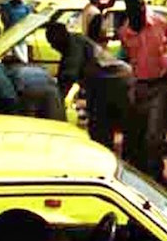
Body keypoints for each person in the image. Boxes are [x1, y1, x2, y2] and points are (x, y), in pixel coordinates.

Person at [45, 19, 133, 153]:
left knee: (105, 126)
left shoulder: (74, 45)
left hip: (117, 81)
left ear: (61, 36)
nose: (52, 47)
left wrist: (56, 103)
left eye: (52, 42)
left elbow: (68, 76)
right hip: (104, 84)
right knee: (101, 125)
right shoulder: (72, 44)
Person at [117, 0, 167, 179]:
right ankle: (145, 176)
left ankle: (157, 175)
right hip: (139, 86)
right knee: (139, 135)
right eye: (136, 8)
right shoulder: (125, 33)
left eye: (143, 6)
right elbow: (127, 57)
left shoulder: (160, 23)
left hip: (160, 85)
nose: (141, 10)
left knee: (155, 136)